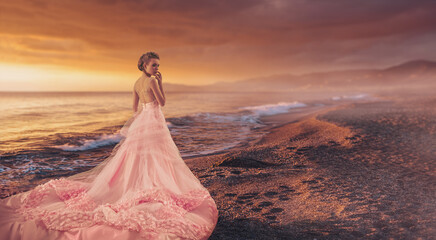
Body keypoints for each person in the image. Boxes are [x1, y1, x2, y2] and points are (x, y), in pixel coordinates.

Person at [0, 52, 219, 240]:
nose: (157, 68)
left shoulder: (136, 83)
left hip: (143, 120)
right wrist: (161, 82)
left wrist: (143, 119)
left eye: (158, 65)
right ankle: (150, 182)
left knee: (136, 156)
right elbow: (162, 103)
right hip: (154, 119)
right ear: (144, 65)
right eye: (154, 65)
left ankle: (136, 183)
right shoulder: (152, 81)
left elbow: (135, 109)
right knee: (157, 155)